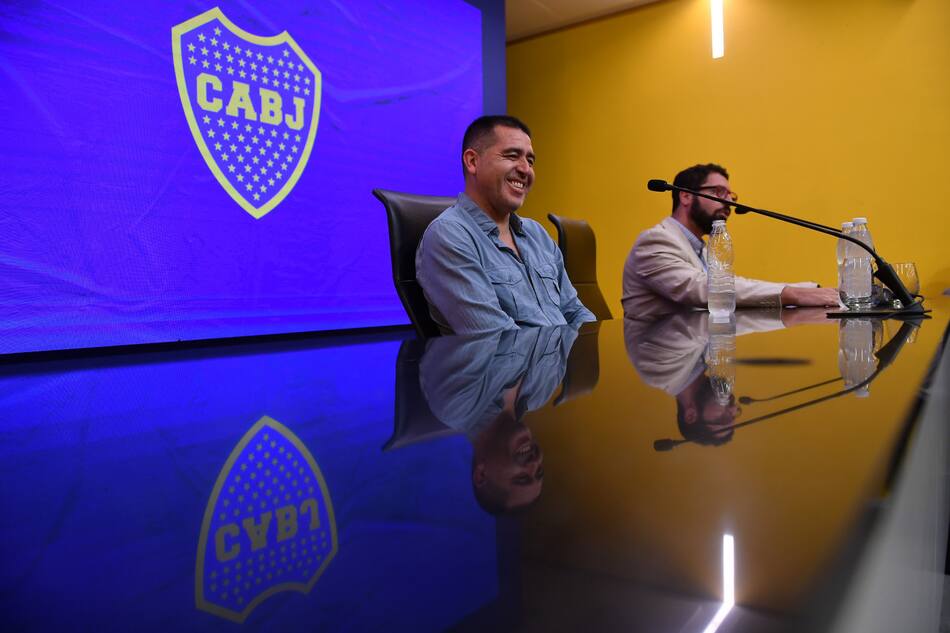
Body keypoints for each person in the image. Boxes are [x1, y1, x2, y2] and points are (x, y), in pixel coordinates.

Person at [416, 115, 596, 335]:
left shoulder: (536, 233)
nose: (525, 169)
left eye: (530, 161)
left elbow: (575, 312)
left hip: (561, 365)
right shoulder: (449, 235)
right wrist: (566, 361)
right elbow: (499, 339)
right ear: (473, 161)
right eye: (512, 156)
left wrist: (592, 353)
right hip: (509, 369)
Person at [622, 163, 840, 318]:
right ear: (686, 196)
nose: (728, 203)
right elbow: (705, 290)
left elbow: (734, 285)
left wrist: (812, 289)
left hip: (695, 356)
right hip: (662, 367)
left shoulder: (699, 248)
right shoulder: (655, 241)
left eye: (730, 196)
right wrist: (793, 295)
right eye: (718, 192)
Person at [420, 325, 579, 514]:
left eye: (521, 477)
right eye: (539, 472)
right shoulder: (541, 393)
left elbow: (484, 322)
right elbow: (574, 318)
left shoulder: (453, 403)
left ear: (481, 474)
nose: (535, 462)